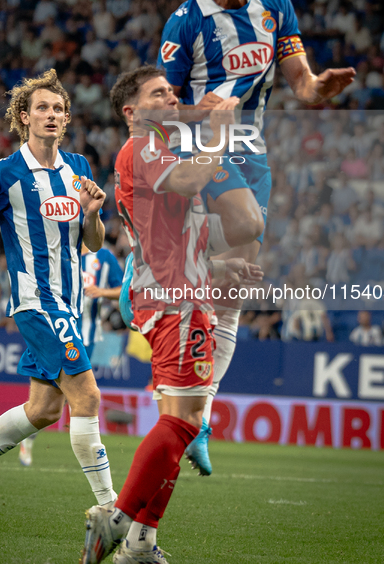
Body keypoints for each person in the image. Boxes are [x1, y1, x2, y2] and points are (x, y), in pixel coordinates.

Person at [156, 0, 355, 475]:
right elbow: (159, 110)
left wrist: (320, 89)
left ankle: (199, 417)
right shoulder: (186, 22)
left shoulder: (276, 5)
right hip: (202, 149)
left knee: (236, 287)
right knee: (247, 225)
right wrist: (209, 111)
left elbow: (300, 82)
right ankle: (151, 287)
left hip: (253, 150)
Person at [81, 66, 262, 564]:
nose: (172, 96)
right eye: (159, 92)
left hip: (181, 292)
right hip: (174, 302)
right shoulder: (143, 148)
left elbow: (166, 239)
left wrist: (222, 264)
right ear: (131, 111)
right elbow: (188, 180)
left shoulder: (150, 152)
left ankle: (140, 545)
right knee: (183, 423)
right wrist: (221, 134)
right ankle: (116, 522)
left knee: (182, 420)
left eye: (172, 90)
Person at [0, 70, 116, 524]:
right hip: (38, 304)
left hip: (69, 304)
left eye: (58, 109)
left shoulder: (79, 168)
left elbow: (93, 242)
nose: (51, 115)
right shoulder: (5, 174)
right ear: (24, 117)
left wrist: (93, 214)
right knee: (87, 398)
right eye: (42, 108)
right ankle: (114, 512)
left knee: (43, 409)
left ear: (67, 117)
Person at [19, 241, 123, 467]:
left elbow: (124, 290)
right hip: (55, 332)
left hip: (86, 337)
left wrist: (102, 292)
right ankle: (28, 432)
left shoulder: (104, 257)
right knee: (57, 395)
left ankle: (31, 434)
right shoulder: (59, 248)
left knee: (71, 394)